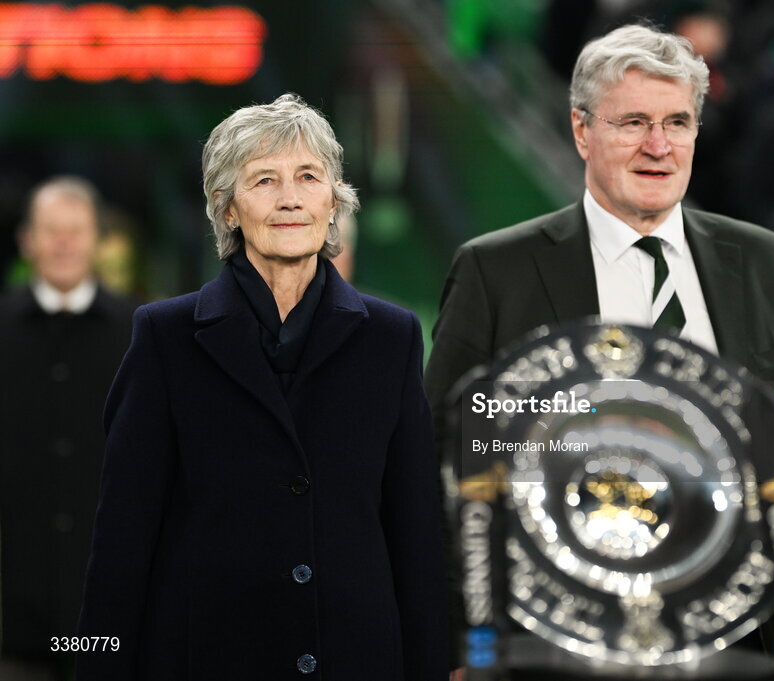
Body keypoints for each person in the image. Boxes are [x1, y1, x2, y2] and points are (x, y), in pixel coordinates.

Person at [425, 24, 774, 680]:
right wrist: (461, 634)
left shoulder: (760, 259)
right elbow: (442, 456)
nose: (658, 146)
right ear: (582, 131)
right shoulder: (496, 271)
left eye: (678, 122)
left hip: (735, 635)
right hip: (552, 637)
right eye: (633, 121)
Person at [76, 94, 448, 680]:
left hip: (357, 658)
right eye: (264, 180)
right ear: (227, 210)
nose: (290, 198)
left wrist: (434, 663)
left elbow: (415, 524)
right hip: (206, 658)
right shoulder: (165, 338)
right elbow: (122, 534)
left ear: (334, 202)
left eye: (308, 177)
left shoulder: (392, 337)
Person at [0, 177, 137, 681]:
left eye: (75, 231)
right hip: (12, 623)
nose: (62, 243)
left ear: (98, 240)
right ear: (26, 241)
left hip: (108, 615)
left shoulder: (138, 332)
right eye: (50, 230)